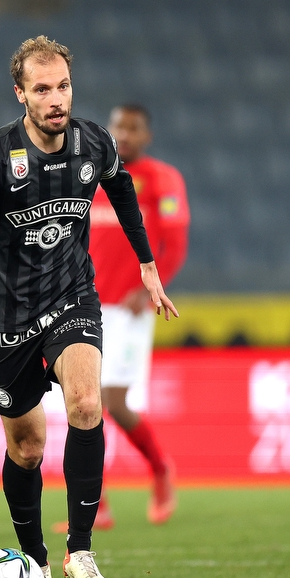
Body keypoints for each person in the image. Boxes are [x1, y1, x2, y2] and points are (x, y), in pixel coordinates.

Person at [0, 37, 178, 578]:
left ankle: (80, 549)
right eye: (42, 89)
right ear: (21, 94)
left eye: (62, 86)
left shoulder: (94, 142)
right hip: (3, 319)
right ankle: (33, 563)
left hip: (71, 297)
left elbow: (121, 187)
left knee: (88, 403)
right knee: (29, 448)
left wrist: (147, 263)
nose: (56, 99)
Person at [86, 104, 190, 530]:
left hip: (128, 309)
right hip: (82, 305)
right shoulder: (88, 175)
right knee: (82, 404)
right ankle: (95, 504)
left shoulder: (162, 179)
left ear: (146, 135)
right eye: (118, 127)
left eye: (133, 128)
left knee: (113, 402)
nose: (124, 134)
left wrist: (148, 288)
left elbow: (175, 243)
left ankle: (161, 468)